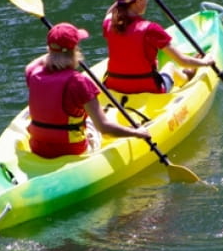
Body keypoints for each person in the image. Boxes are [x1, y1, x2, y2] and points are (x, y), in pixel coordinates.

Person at [25, 22, 150, 158]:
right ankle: (132, 128)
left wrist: (56, 51)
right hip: (72, 151)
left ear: (48, 50)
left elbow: (35, 63)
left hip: (38, 148)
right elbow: (104, 128)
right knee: (106, 116)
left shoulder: (33, 72)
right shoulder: (79, 82)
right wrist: (137, 133)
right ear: (75, 50)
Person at [102, 0, 216, 94]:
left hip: (114, 85)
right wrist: (206, 62)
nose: (147, 1)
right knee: (170, 66)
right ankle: (187, 75)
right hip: (147, 88)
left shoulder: (109, 24)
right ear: (139, 0)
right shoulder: (151, 29)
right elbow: (182, 61)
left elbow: (111, 12)